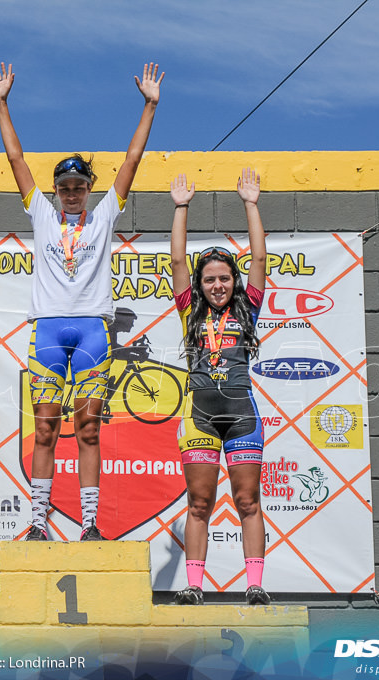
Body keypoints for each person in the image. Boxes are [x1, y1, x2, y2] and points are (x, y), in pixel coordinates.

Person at [0, 61, 164, 541]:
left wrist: (149, 106)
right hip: (47, 330)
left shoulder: (104, 215)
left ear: (89, 191)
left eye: (78, 188)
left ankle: (89, 524)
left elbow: (130, 162)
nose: (71, 195)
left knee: (89, 430)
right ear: (55, 193)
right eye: (64, 189)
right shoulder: (42, 216)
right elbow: (16, 159)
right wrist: (2, 103)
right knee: (44, 429)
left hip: (91, 331)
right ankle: (39, 522)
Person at [168, 169, 271, 606]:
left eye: (224, 278)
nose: (217, 285)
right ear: (200, 284)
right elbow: (176, 262)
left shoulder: (248, 308)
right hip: (200, 417)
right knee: (199, 502)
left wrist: (251, 204)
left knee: (248, 501)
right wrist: (181, 208)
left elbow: (261, 261)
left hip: (242, 416)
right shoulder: (189, 311)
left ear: (235, 282)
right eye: (209, 279)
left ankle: (255, 585)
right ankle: (193, 585)